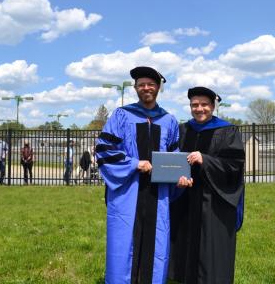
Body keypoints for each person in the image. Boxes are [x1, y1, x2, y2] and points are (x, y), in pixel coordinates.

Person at [95, 66, 183, 284]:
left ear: (158, 88)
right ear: (135, 88)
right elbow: (104, 150)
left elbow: (175, 156)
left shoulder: (169, 120)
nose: (146, 88)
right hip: (128, 192)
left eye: (151, 84)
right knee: (124, 245)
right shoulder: (122, 115)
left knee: (157, 243)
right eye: (141, 84)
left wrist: (181, 177)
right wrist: (134, 164)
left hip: (158, 195)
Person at [169, 86, 245, 284]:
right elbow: (173, 161)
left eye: (204, 104)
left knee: (212, 253)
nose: (199, 108)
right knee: (186, 251)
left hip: (214, 203)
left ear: (213, 106)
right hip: (186, 200)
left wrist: (206, 160)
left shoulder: (227, 131)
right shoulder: (183, 130)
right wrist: (178, 179)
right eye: (195, 105)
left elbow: (234, 166)